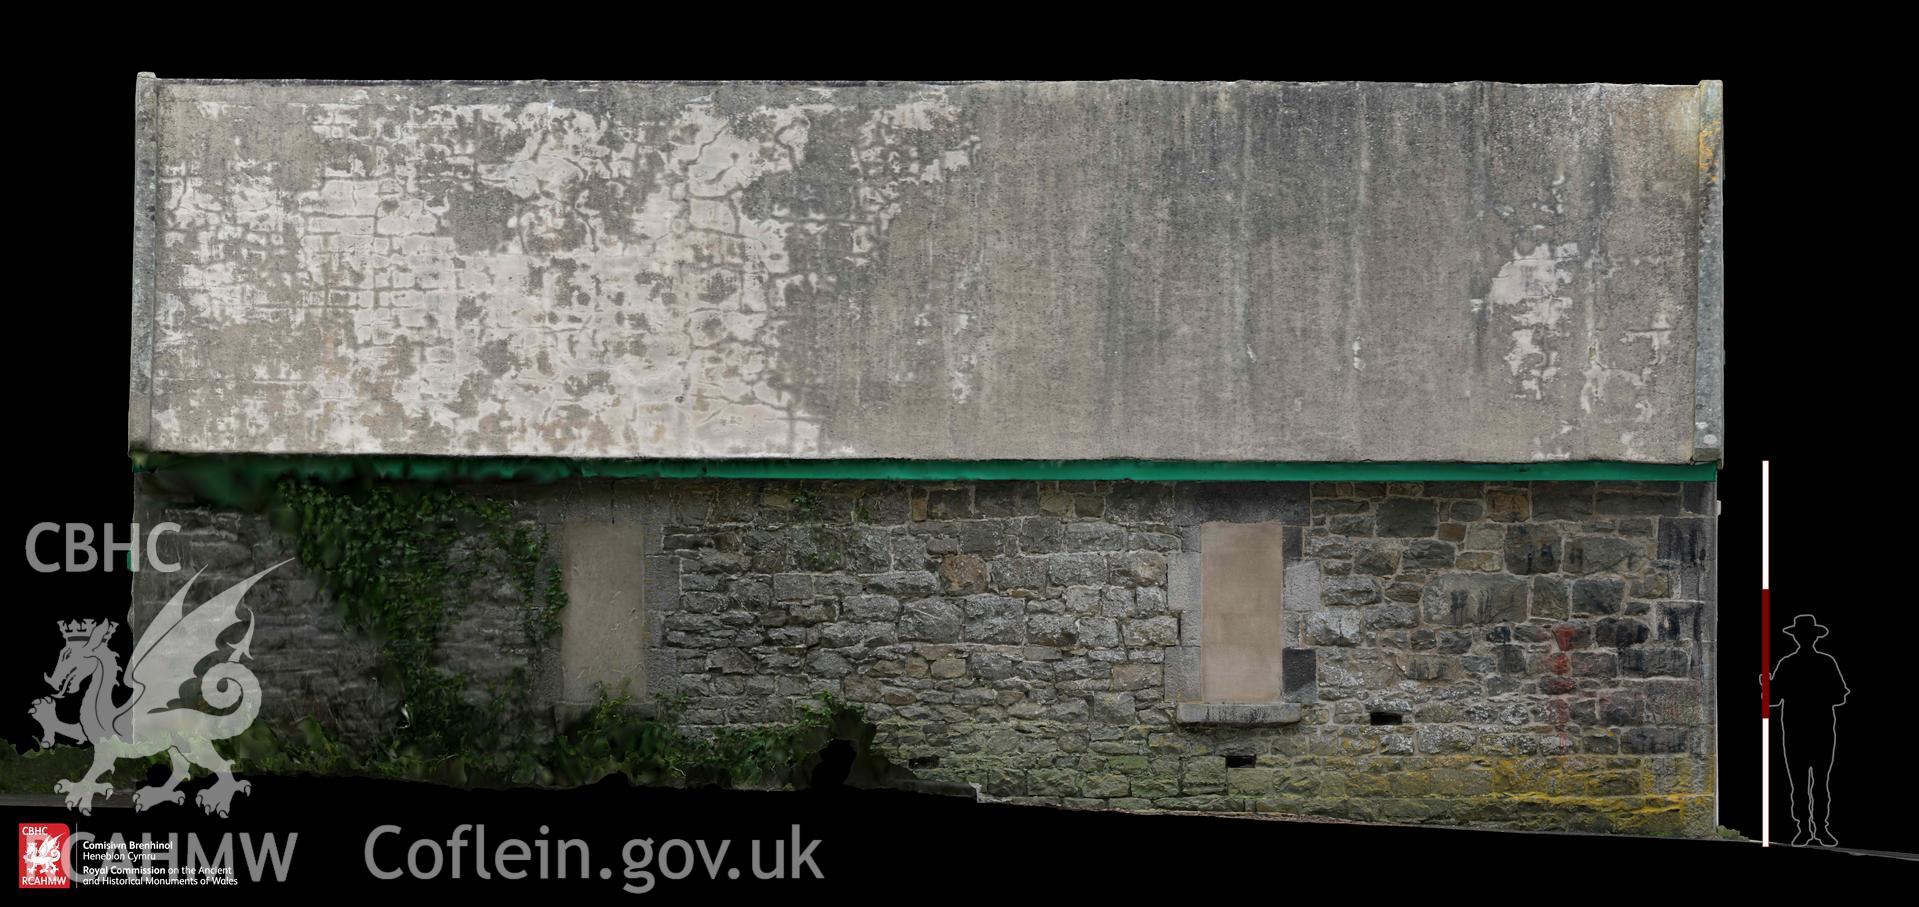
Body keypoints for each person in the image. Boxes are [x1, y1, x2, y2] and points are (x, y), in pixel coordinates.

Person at [1765, 614, 1850, 846]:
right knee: (1818, 782)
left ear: (1798, 638)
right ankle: (1817, 829)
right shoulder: (1825, 662)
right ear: (1813, 637)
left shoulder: (1788, 664)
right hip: (1816, 728)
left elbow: (1772, 701)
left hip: (1799, 729)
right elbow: (1840, 697)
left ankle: (1806, 828)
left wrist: (1768, 685)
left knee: (1802, 782)